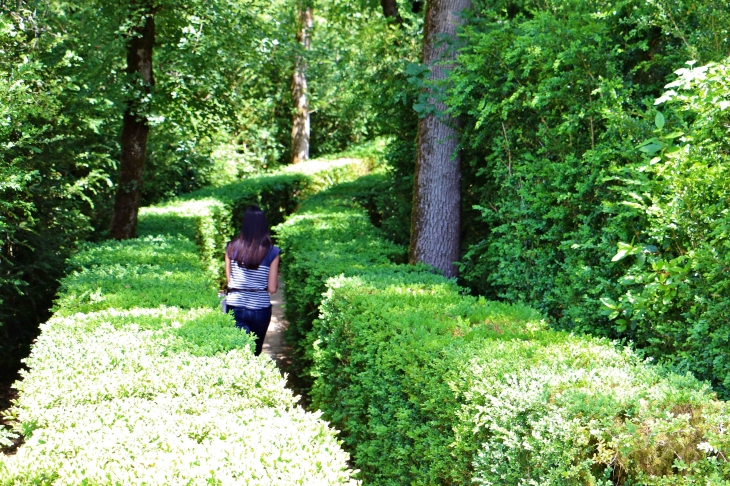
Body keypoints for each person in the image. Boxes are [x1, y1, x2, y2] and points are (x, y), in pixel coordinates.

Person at [224, 205, 280, 356]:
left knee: (239, 351)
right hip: (260, 308)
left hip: (235, 304)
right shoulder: (272, 251)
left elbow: (230, 281)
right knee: (255, 351)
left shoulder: (231, 248)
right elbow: (272, 289)